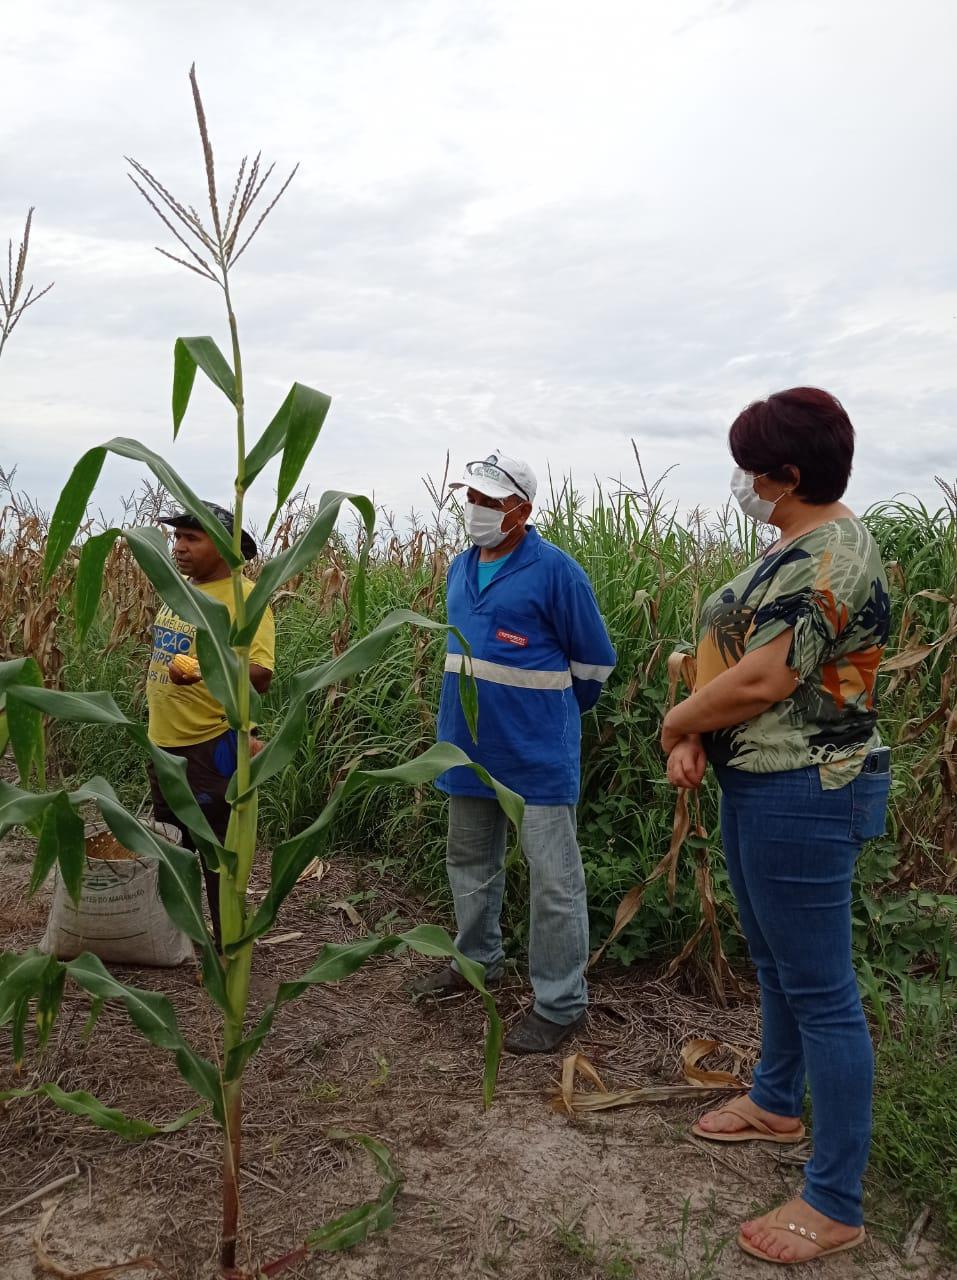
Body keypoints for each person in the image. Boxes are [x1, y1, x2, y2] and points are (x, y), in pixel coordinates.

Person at [661, 388, 891, 1265]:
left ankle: (833, 1198)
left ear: (785, 476)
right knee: (775, 963)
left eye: (750, 468)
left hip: (807, 786)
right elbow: (734, 664)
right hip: (761, 779)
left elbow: (761, 680)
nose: (741, 482)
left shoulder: (833, 555)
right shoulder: (794, 546)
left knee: (823, 992)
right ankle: (773, 1099)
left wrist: (676, 722)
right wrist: (696, 735)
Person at [412, 451, 617, 1054]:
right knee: (469, 863)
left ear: (521, 510)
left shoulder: (557, 571)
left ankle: (560, 1004)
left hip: (536, 758)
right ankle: (477, 961)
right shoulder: (459, 566)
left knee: (554, 881)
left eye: (487, 502)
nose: (473, 510)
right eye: (469, 499)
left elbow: (594, 666)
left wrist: (544, 718)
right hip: (466, 751)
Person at [146, 501, 275, 950]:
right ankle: (177, 937)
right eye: (176, 537)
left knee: (215, 851)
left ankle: (228, 950)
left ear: (223, 547)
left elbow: (261, 674)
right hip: (162, 743)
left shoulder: (244, 598)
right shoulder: (179, 592)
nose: (178, 547)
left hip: (209, 747)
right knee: (170, 844)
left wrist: (205, 668)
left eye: (190, 538)